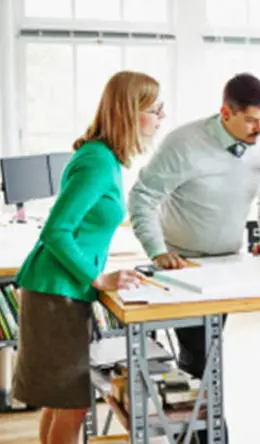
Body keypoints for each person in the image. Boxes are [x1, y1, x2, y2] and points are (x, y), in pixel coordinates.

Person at [128, 72, 260, 444]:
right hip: (183, 267)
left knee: (204, 353)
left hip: (229, 266)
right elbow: (142, 196)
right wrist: (158, 251)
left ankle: (194, 428)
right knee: (201, 356)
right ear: (225, 112)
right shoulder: (183, 143)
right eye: (250, 119)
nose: (259, 129)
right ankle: (212, 435)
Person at [12, 70, 164, 444]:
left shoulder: (104, 158)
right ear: (130, 112)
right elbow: (56, 230)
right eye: (156, 110)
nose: (161, 118)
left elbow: (79, 231)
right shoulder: (97, 161)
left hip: (60, 288)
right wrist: (98, 278)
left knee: (61, 402)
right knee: (74, 404)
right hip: (56, 292)